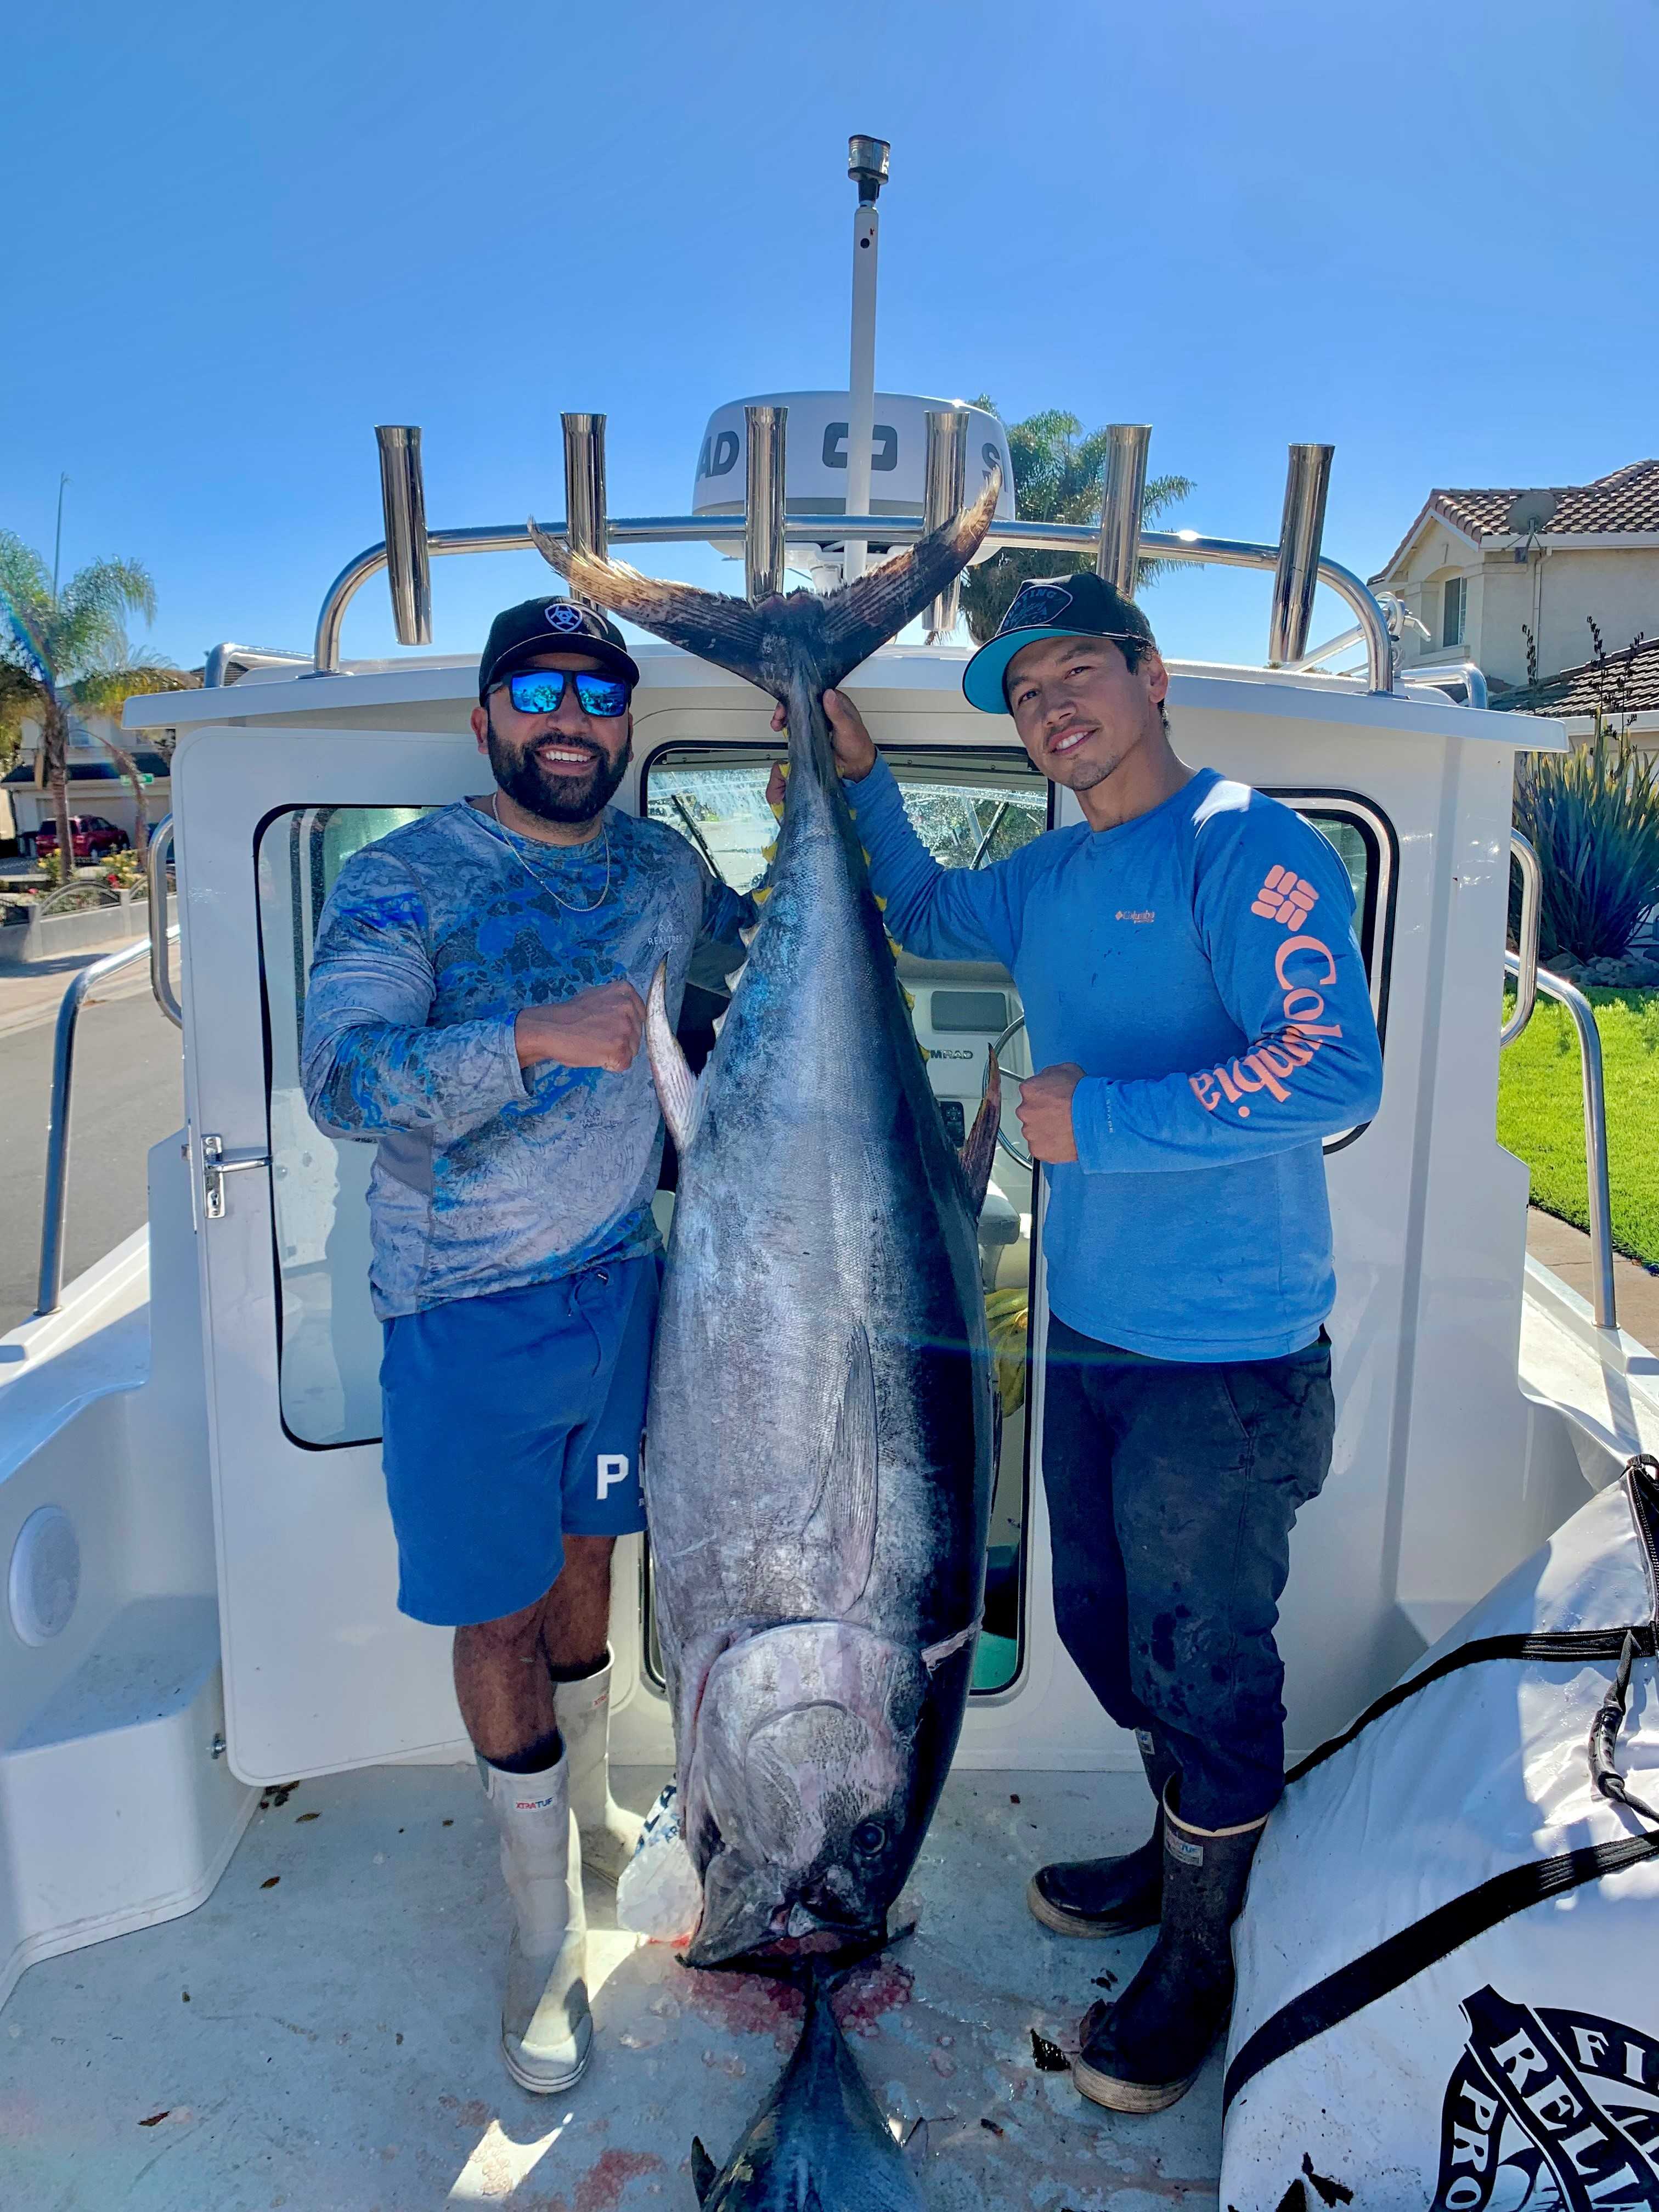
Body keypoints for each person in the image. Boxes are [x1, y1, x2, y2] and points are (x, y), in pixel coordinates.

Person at [778, 572, 1383, 2114]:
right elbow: (918, 913)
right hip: (1096, 1342)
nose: (1054, 709)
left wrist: (1091, 1123)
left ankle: (1200, 1966)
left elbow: (1333, 1074)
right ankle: (1174, 1851)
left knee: (1208, 1664)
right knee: (1115, 1640)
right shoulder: (1052, 878)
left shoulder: (1245, 843)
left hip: (1230, 1363)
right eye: (1027, 694)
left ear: (1151, 673)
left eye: (1075, 675)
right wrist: (862, 775)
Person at [302, 596, 751, 2095]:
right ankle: (540, 1935)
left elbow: (755, 969)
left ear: (625, 724)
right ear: (491, 716)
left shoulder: (668, 871)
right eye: (539, 689)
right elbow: (344, 1082)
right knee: (493, 1613)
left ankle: (601, 1805)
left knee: (591, 1568)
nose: (572, 717)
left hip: (624, 1289)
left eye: (599, 694)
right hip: (460, 1313)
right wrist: (532, 1038)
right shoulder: (402, 877)